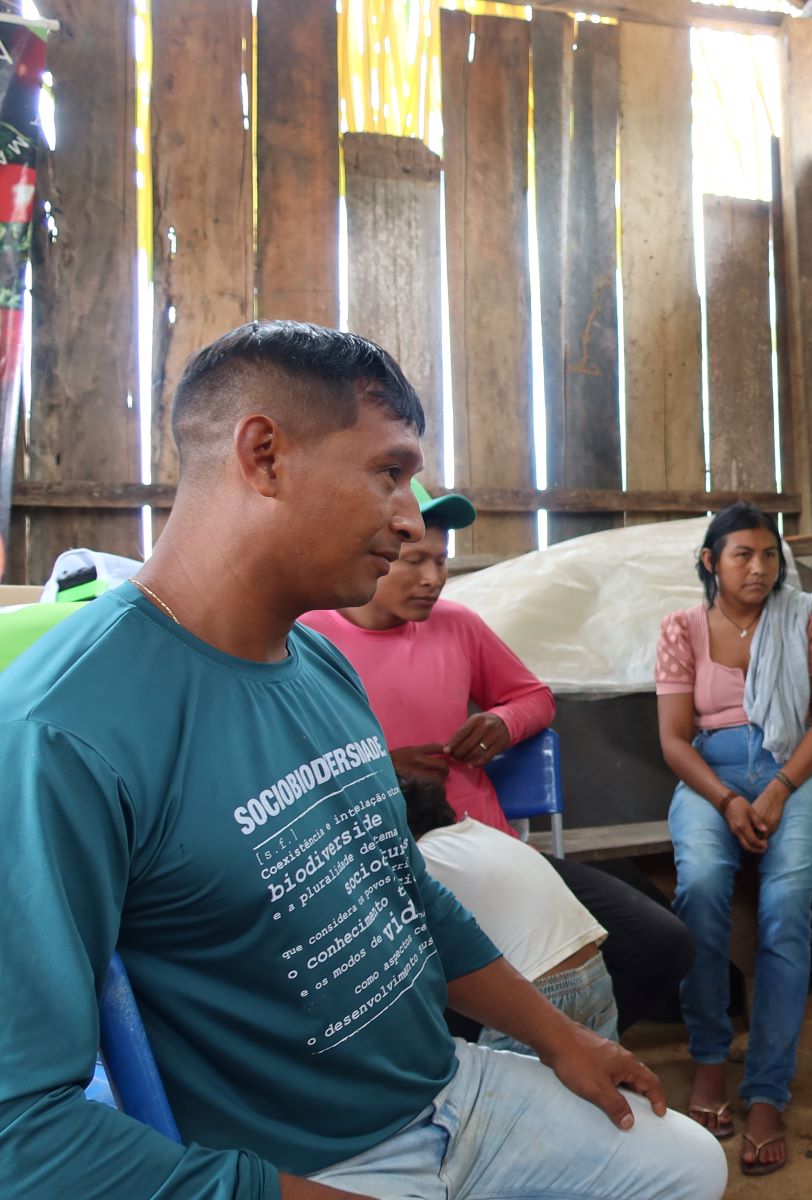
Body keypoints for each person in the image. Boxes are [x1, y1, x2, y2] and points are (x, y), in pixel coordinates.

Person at [0, 321, 725, 1199]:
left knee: (686, 1164)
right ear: (264, 454)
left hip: (448, 1092)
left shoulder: (320, 663)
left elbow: (405, 890)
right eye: (389, 471)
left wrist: (558, 1036)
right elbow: (24, 1134)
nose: (410, 519)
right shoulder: (62, 728)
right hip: (307, 1164)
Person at [302, 486, 694, 1034]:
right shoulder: (307, 641)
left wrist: (501, 724)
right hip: (388, 872)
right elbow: (284, 771)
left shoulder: (456, 624)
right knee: (436, 1001)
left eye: (441, 561)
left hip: (489, 847)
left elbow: (535, 698)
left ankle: (547, 1056)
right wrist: (380, 771)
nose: (433, 579)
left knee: (661, 944)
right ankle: (504, 1063)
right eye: (415, 561)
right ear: (367, 555)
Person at [655, 501, 812, 1176]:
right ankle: (709, 1062)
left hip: (799, 770)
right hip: (711, 774)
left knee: (784, 908)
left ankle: (767, 1091)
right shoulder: (683, 629)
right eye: (743, 554)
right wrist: (729, 798)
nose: (760, 568)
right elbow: (675, 742)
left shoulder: (806, 618)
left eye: (770, 555)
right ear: (711, 561)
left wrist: (776, 790)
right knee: (702, 886)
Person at [402, 773, 620, 1048]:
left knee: (509, 1090)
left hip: (540, 991)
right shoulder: (479, 833)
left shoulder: (422, 857)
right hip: (594, 973)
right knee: (599, 1086)